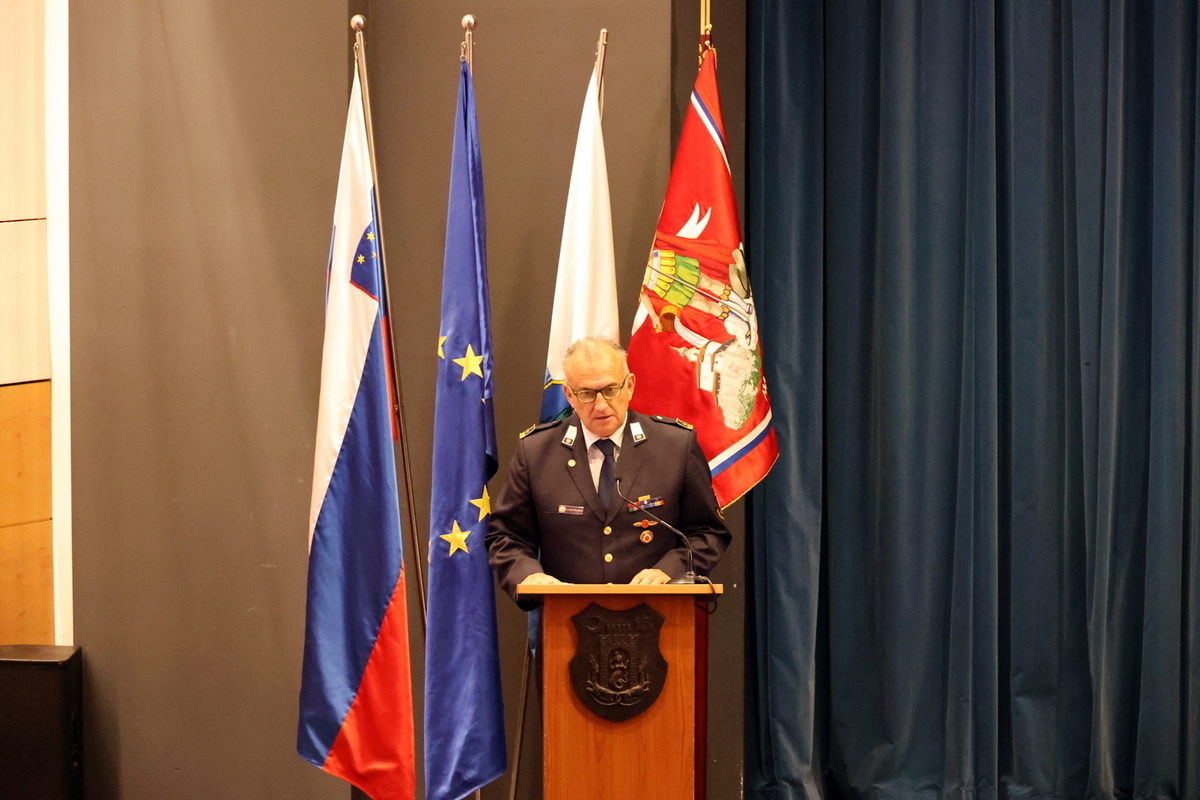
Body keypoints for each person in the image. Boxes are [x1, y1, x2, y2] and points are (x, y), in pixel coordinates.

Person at [486, 336, 730, 602]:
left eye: (611, 390)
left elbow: (707, 533)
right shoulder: (537, 452)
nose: (601, 405)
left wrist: (669, 572)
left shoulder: (675, 446)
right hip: (566, 615)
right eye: (587, 394)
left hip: (659, 612)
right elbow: (506, 536)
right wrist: (529, 576)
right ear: (569, 395)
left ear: (630, 386)